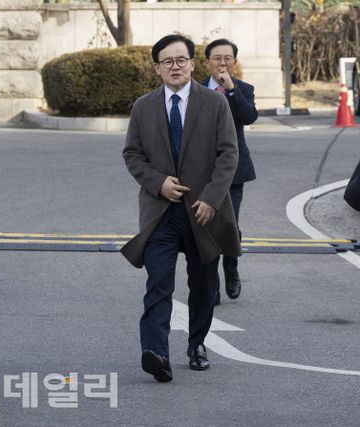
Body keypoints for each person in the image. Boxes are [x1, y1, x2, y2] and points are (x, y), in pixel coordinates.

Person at [121, 34, 240, 382]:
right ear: (157, 68)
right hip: (161, 212)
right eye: (168, 61)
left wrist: (212, 198)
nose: (175, 67)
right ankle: (156, 352)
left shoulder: (215, 103)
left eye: (181, 60)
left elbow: (228, 154)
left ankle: (197, 344)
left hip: (204, 211)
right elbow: (132, 154)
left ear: (192, 64)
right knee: (158, 282)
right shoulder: (143, 107)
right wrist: (158, 182)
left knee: (203, 285)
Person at [202, 38, 258, 305]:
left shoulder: (244, 89)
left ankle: (231, 266)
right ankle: (210, 283)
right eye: (217, 58)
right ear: (207, 63)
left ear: (234, 62)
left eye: (227, 58)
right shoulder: (195, 90)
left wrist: (232, 89)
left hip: (234, 170)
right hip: (202, 170)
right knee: (206, 227)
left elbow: (249, 117)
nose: (222, 63)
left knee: (230, 225)